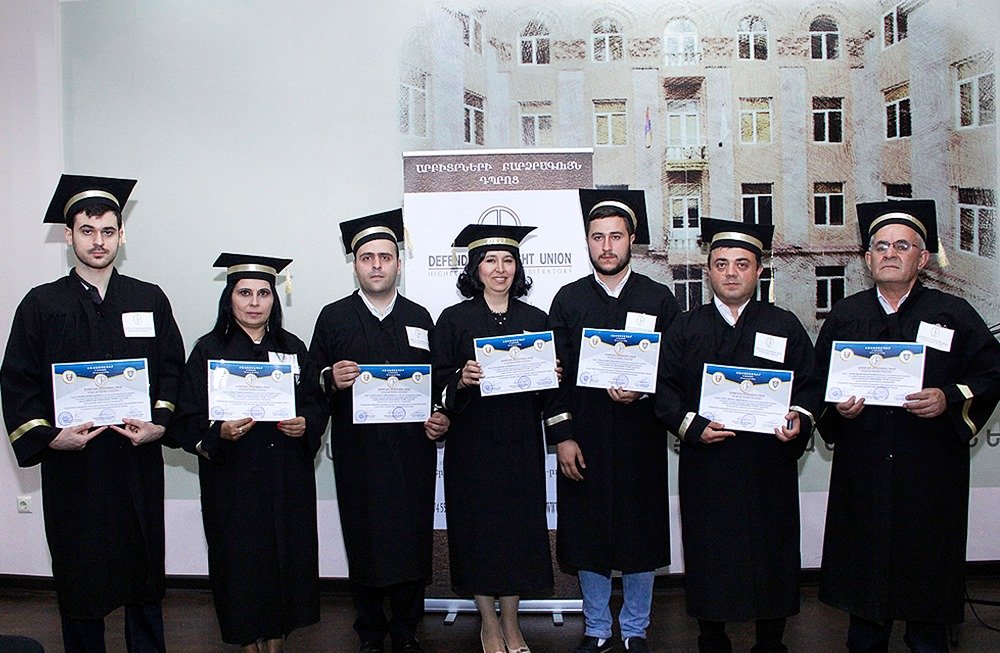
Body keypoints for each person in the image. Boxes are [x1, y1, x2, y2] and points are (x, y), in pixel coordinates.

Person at [1, 174, 185, 652]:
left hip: (135, 461)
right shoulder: (41, 305)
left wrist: (159, 424)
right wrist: (49, 437)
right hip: (74, 468)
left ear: (122, 235)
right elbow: (17, 381)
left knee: (143, 574)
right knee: (81, 577)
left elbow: (172, 370)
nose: (98, 241)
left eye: (107, 231)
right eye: (87, 230)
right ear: (69, 236)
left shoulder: (148, 298)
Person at [815, 200, 1000, 652]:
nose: (890, 254)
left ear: (923, 257)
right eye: (881, 246)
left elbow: (992, 373)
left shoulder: (952, 313)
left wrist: (948, 396)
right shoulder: (846, 316)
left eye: (903, 246)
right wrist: (839, 410)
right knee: (865, 591)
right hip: (864, 469)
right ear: (867, 259)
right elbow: (816, 383)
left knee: (927, 589)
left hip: (930, 471)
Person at [655, 218, 823, 652]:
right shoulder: (686, 327)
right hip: (707, 467)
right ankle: (712, 640)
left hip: (768, 466)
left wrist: (799, 418)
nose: (731, 273)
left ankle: (771, 643)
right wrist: (693, 426)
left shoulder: (784, 324)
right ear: (708, 270)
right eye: (721, 264)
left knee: (772, 553)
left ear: (759, 271)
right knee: (710, 553)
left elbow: (811, 384)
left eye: (742, 264)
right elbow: (664, 389)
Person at [309, 209, 449, 653]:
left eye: (385, 257)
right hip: (359, 452)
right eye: (366, 257)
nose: (376, 265)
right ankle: (370, 630)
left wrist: (440, 415)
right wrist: (331, 378)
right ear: (355, 265)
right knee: (364, 537)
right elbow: (310, 382)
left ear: (398, 265)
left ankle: (407, 628)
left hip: (412, 451)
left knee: (411, 537)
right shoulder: (334, 318)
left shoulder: (420, 317)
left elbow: (437, 384)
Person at [170, 253, 326, 652]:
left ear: (274, 298)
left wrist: (306, 422)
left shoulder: (292, 348)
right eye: (244, 293)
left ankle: (277, 639)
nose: (255, 302)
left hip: (286, 476)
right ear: (229, 299)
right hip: (233, 480)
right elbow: (185, 417)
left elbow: (315, 400)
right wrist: (218, 431)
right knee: (240, 563)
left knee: (286, 558)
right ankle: (246, 641)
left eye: (263, 293)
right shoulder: (208, 351)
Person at [546, 189, 679, 653]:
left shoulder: (659, 299)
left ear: (631, 240)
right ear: (587, 241)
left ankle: (636, 628)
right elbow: (553, 377)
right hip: (585, 436)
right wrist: (562, 435)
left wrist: (646, 388)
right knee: (589, 533)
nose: (606, 246)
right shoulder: (568, 300)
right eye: (597, 236)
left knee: (640, 532)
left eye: (615, 236)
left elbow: (673, 370)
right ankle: (598, 627)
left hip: (641, 436)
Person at [431, 224, 555, 653]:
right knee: (477, 533)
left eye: (508, 260)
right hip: (472, 447)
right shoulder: (454, 319)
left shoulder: (535, 321)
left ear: (518, 267)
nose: (500, 269)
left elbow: (547, 395)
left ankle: (512, 624)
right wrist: (459, 379)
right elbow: (436, 384)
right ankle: (488, 624)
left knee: (517, 533)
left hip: (521, 444)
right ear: (475, 269)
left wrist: (550, 375)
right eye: (490, 260)